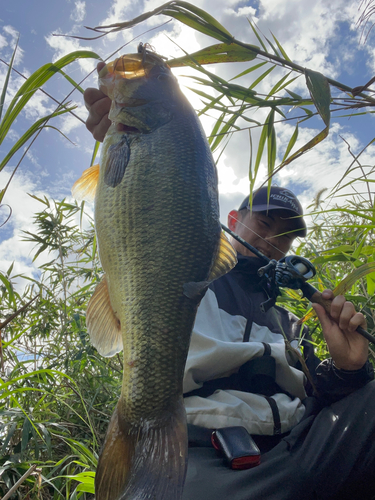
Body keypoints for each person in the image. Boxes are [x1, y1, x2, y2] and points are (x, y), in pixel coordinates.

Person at [84, 68, 375, 499]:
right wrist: (121, 138)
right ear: (234, 221)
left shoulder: (289, 317)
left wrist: (350, 369)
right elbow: (143, 221)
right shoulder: (192, 280)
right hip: (209, 454)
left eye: (287, 234)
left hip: (306, 443)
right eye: (265, 223)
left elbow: (322, 394)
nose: (274, 240)